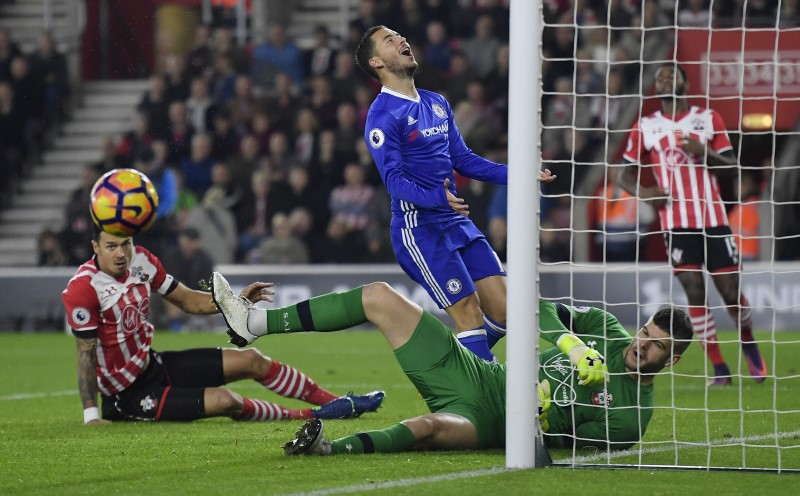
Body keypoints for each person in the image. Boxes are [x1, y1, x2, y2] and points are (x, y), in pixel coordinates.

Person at [211, 272, 693, 454]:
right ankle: (256, 322)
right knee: (379, 297)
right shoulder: (607, 331)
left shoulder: (631, 418)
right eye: (646, 332)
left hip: (495, 421)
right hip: (482, 375)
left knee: (424, 428)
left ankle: (329, 451)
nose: (641, 345)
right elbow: (531, 305)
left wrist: (539, 414)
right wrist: (568, 343)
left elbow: (560, 447)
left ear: (670, 362)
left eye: (654, 347)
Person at [350, 25, 554, 363]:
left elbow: (463, 159)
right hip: (420, 229)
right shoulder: (382, 116)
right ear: (376, 62)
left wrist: (520, 175)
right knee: (470, 316)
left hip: (455, 220)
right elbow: (394, 182)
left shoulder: (436, 102)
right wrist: (436, 197)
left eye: (401, 35)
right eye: (390, 40)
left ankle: (451, 372)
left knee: (504, 312)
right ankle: (488, 403)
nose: (402, 39)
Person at [62, 225, 384, 425]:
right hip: (125, 396)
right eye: (111, 246)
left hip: (153, 365)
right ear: (95, 247)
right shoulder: (83, 288)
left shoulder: (142, 261)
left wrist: (234, 301)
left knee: (253, 360)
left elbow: (188, 300)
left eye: (126, 244)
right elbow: (85, 354)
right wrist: (92, 414)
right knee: (226, 400)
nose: (122, 253)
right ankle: (311, 416)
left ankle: (338, 403)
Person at [619, 63, 767, 386]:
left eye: (671, 75)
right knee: (695, 291)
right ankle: (720, 369)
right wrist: (646, 194)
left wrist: (704, 151)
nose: (664, 80)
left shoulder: (708, 118)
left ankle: (748, 341)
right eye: (660, 77)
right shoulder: (646, 125)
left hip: (713, 219)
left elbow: (731, 166)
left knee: (730, 292)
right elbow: (622, 174)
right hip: (675, 223)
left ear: (685, 83)